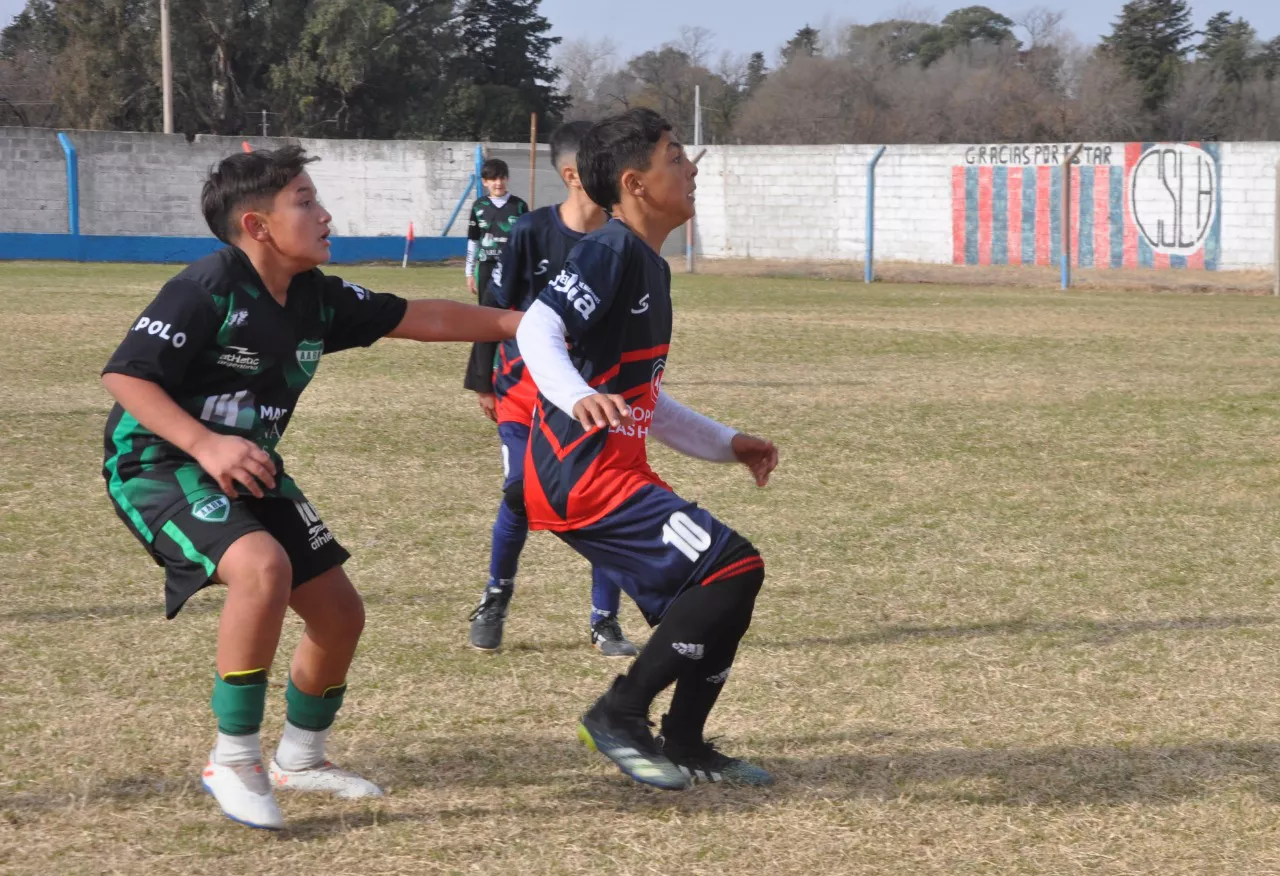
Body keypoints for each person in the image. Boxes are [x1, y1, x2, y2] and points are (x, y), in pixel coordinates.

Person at [100, 145, 521, 830]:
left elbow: (425, 318)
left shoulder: (316, 296)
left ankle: (299, 758)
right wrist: (207, 443)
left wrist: (518, 324)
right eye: (305, 201)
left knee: (338, 615)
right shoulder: (206, 287)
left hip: (252, 466)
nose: (324, 214)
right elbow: (125, 375)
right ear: (257, 225)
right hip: (158, 462)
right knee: (262, 568)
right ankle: (234, 758)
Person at [515, 109, 780, 790]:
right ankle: (619, 713)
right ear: (635, 183)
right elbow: (536, 330)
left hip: (614, 470)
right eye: (675, 157)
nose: (691, 170)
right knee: (733, 567)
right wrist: (577, 396)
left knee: (722, 598)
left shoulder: (647, 267)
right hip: (580, 474)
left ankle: (686, 742)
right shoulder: (611, 250)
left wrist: (728, 443)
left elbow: (644, 401)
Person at [465, 121, 639, 658]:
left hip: (595, 397)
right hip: (522, 392)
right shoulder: (530, 231)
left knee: (605, 500)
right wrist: (482, 380)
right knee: (520, 492)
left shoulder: (623, 243)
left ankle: (605, 620)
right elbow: (493, 309)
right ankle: (495, 597)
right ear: (574, 176)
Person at [463, 158, 528, 410]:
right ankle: (487, 369)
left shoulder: (519, 206)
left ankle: (510, 361)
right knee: (486, 319)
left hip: (513, 268)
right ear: (485, 182)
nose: (498, 183)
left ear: (507, 179)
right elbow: (473, 241)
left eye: (501, 177)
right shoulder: (479, 207)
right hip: (487, 267)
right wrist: (470, 272)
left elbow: (527, 241)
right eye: (492, 179)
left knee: (511, 316)